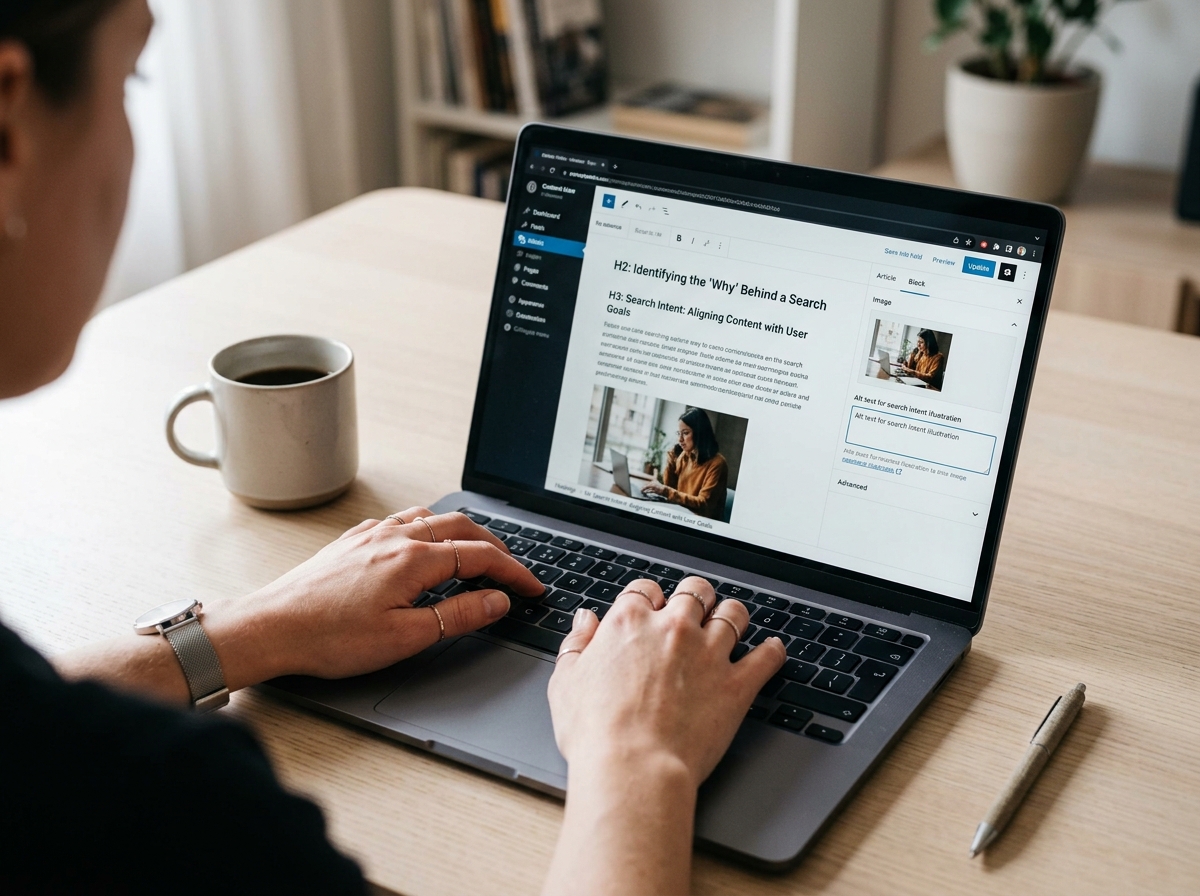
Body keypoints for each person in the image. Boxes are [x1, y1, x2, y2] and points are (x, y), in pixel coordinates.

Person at [0, 2, 786, 894]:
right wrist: (637, 756)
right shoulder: (168, 807)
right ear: (9, 121)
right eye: (132, 76)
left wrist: (249, 630)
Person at [643, 407, 729, 520]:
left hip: (702, 524)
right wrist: (670, 462)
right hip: (681, 515)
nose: (680, 439)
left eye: (685, 433)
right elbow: (670, 491)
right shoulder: (685, 456)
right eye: (679, 433)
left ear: (699, 433)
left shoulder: (717, 463)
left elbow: (703, 505)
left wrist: (665, 491)